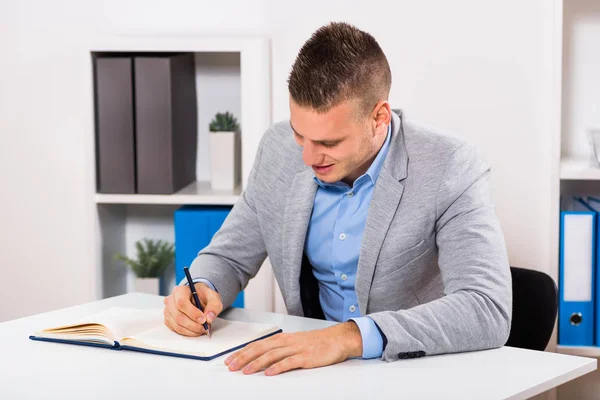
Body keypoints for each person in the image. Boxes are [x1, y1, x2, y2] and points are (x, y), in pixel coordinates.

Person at [163, 21, 512, 376]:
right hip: (309, 376)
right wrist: (202, 288)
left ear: (379, 118)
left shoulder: (449, 165)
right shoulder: (278, 149)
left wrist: (348, 338)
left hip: (414, 373)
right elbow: (230, 256)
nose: (308, 158)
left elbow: (486, 307)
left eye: (329, 143)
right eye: (301, 135)